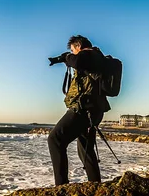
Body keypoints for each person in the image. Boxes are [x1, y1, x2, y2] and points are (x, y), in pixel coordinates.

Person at [47, 35, 110, 186]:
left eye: (73, 50)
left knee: (55, 139)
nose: (72, 53)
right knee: (85, 148)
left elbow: (77, 61)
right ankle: (95, 184)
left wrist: (67, 57)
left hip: (83, 110)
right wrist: (60, 59)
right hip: (93, 110)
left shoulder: (89, 54)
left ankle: (61, 186)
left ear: (79, 46)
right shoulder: (96, 57)